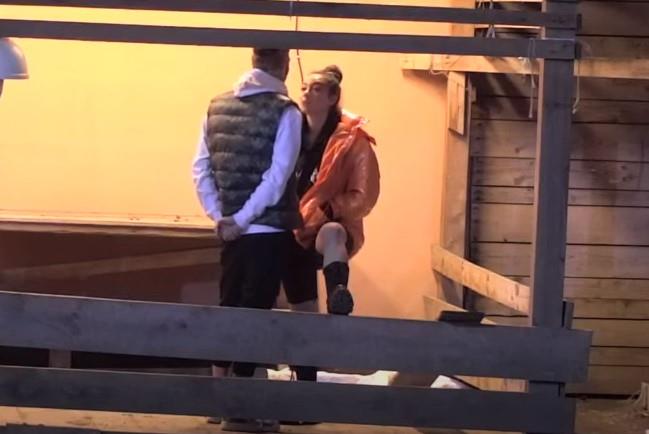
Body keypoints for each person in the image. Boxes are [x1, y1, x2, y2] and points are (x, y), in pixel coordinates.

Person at [192, 48, 302, 433]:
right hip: (266, 229)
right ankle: (238, 409)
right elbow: (278, 177)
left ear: (253, 60)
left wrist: (220, 217)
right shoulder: (287, 112)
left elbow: (200, 169)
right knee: (255, 312)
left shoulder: (216, 106)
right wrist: (241, 220)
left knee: (229, 304)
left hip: (231, 230)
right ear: (284, 65)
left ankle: (218, 399)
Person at [283, 65, 380, 384]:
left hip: (329, 225)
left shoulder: (353, 140)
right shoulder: (289, 131)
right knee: (302, 308)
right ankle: (306, 380)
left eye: (315, 89)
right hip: (292, 229)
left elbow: (365, 196)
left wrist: (331, 207)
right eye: (303, 88)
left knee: (333, 232)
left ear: (332, 96)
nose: (306, 94)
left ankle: (338, 291)